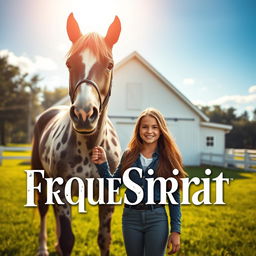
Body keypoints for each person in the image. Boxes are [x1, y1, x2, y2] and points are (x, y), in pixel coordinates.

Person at [91, 108, 187, 256]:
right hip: (131, 219)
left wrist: (175, 231)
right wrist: (102, 164)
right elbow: (113, 186)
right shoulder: (129, 155)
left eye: (154, 127)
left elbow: (174, 199)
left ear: (161, 130)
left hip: (157, 218)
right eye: (145, 127)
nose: (149, 131)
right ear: (138, 129)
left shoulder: (168, 158)